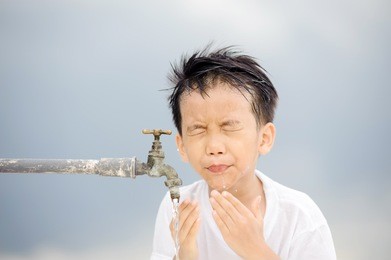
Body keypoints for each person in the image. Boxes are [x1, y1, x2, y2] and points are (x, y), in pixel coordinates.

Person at [151, 46, 336, 260]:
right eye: (198, 129)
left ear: (264, 139)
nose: (214, 146)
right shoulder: (177, 207)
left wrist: (255, 250)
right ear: (182, 146)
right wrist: (186, 254)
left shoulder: (299, 216)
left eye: (229, 126)